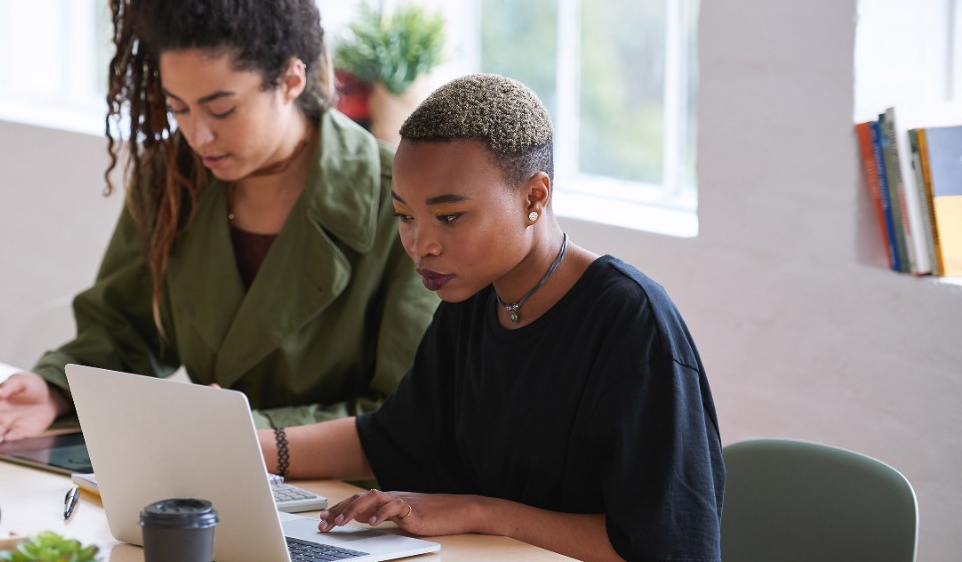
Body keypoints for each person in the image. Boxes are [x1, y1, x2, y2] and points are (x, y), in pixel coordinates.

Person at [0, 0, 437, 444]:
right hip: (210, 478)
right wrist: (54, 390)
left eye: (222, 108)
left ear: (290, 79)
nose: (197, 135)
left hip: (358, 509)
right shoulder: (173, 177)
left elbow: (408, 414)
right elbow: (124, 331)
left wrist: (242, 432)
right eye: (177, 107)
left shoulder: (400, 200)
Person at [258, 74, 725, 562]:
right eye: (405, 215)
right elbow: (389, 439)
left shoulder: (632, 325)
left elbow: (665, 546)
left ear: (534, 198)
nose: (421, 245)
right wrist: (247, 444)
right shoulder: (475, 299)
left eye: (450, 216)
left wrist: (480, 511)